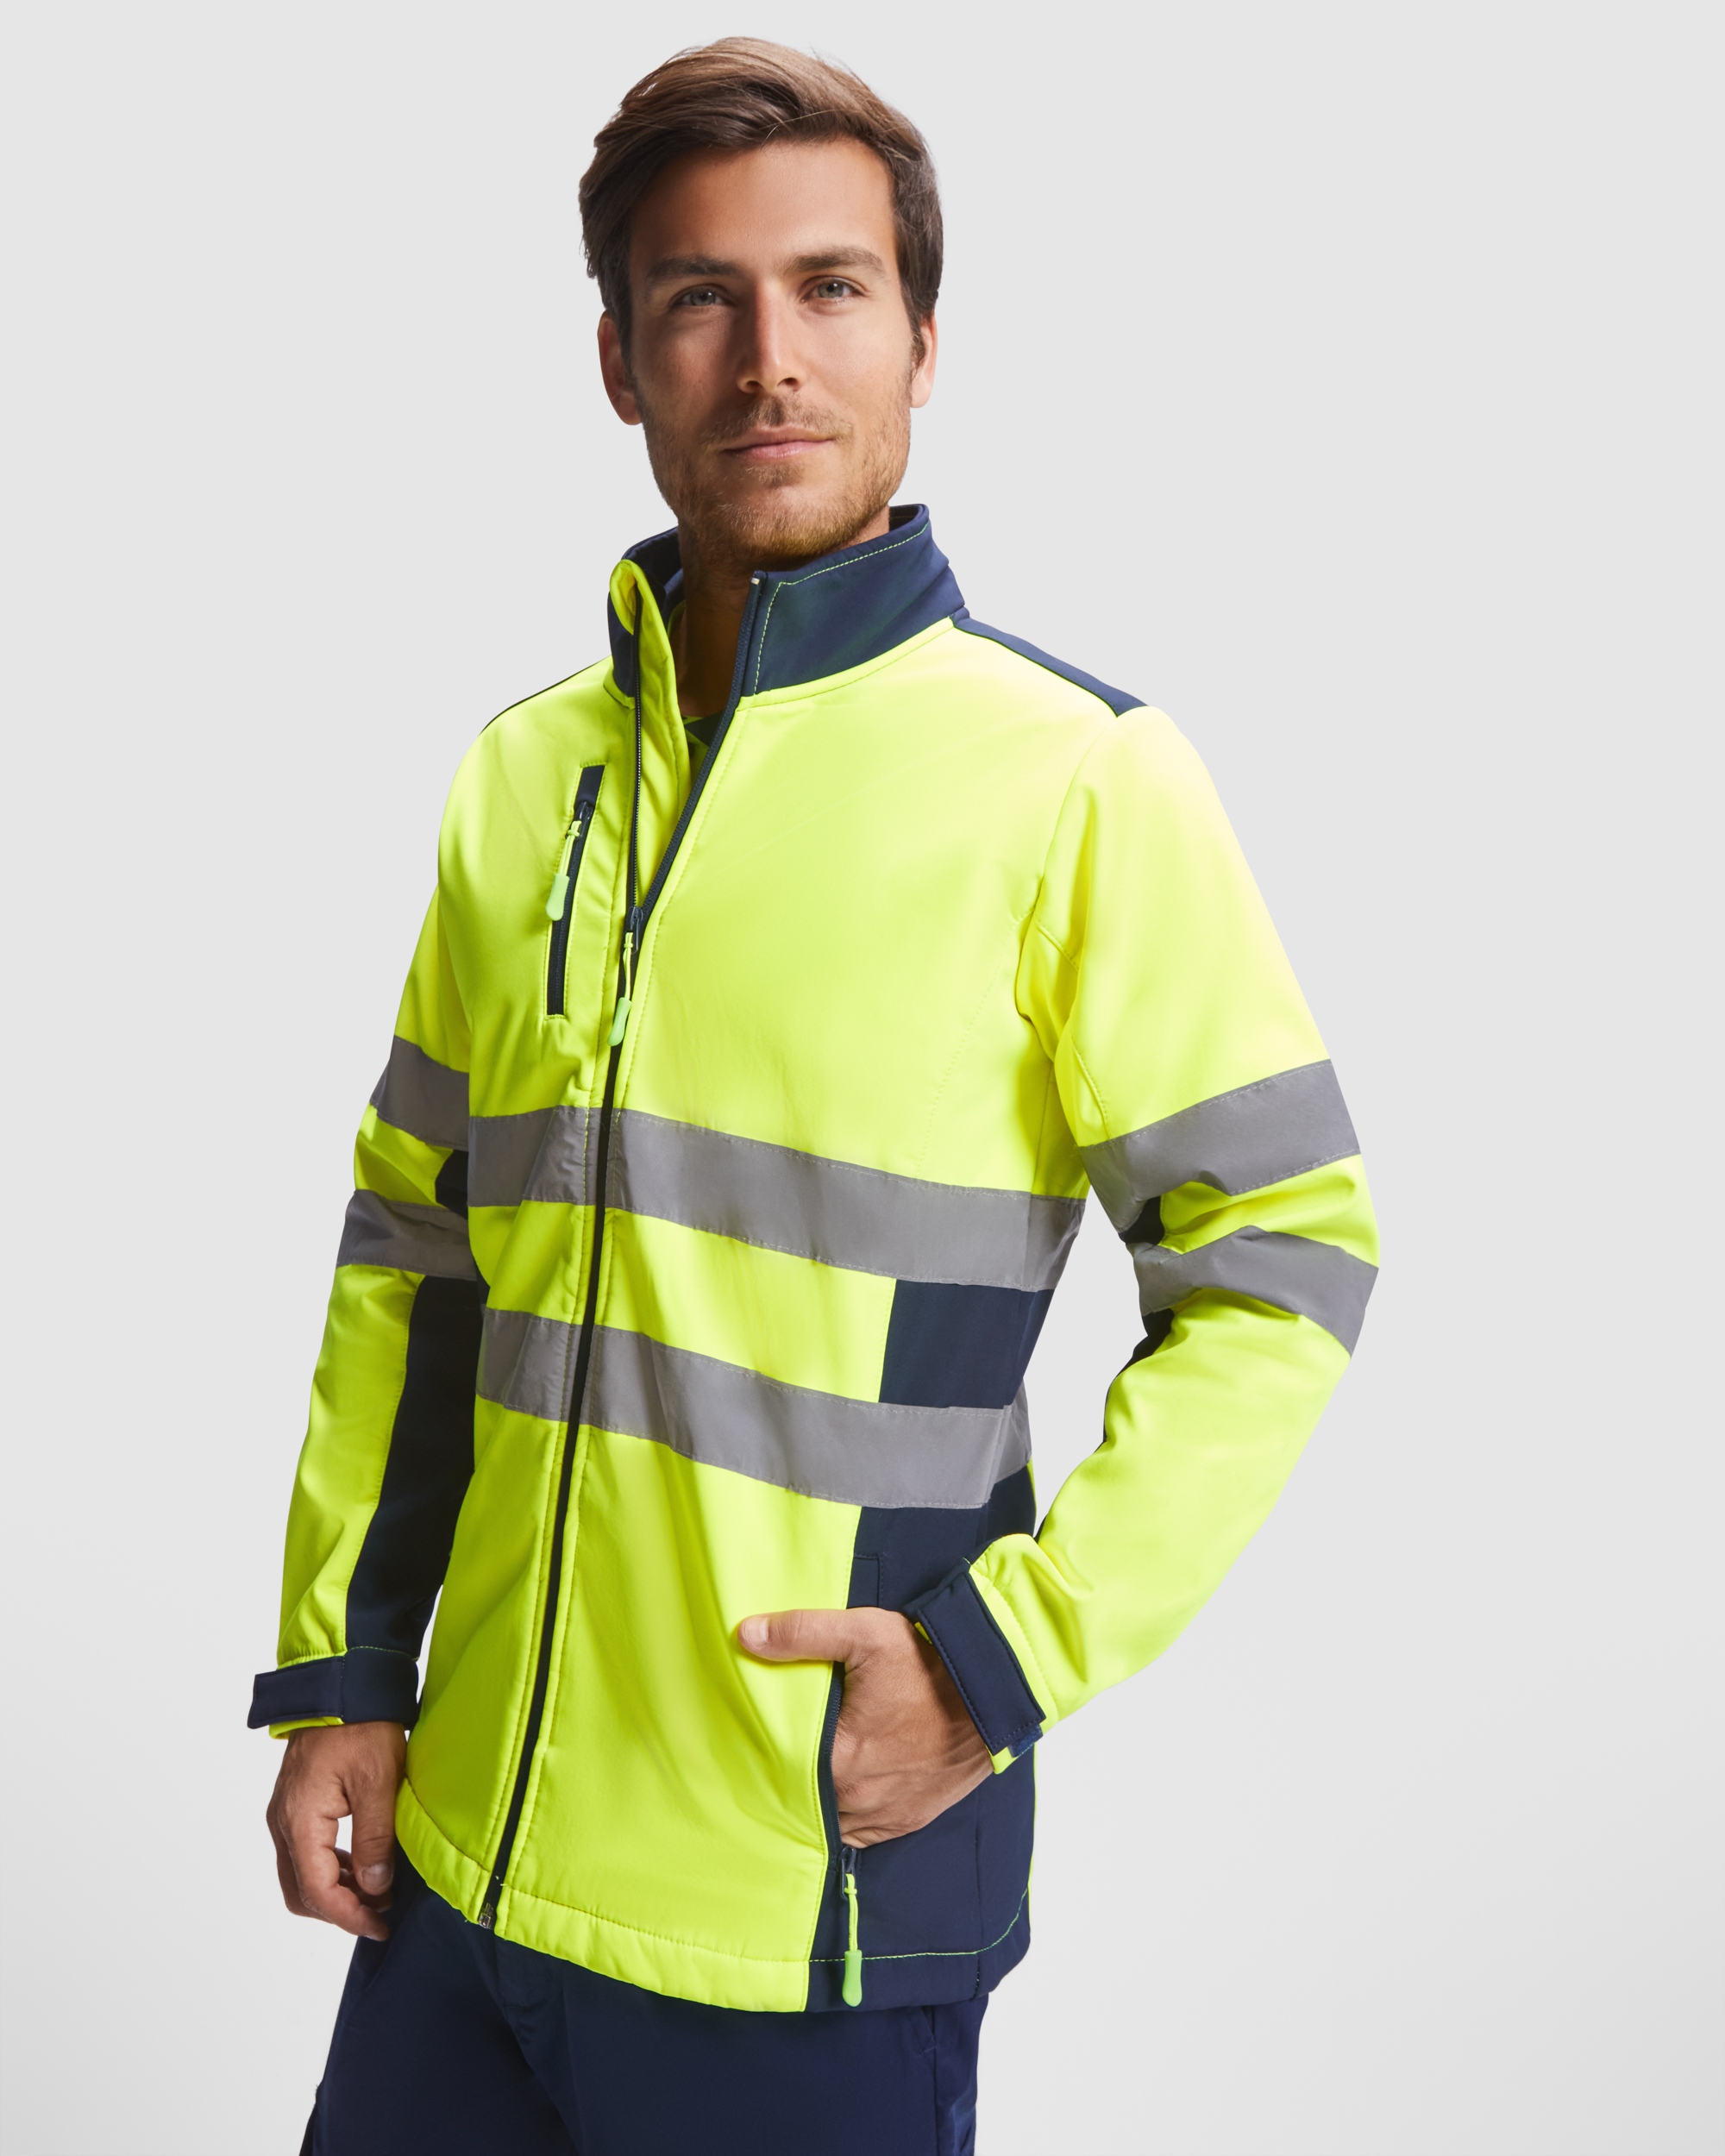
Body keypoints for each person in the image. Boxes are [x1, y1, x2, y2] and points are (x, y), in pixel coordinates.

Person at [254, 37, 1378, 2155]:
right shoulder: (523, 775)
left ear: (922, 342)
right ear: (620, 359)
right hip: (462, 1864)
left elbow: (1286, 1261)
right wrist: (343, 1672)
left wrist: (996, 1660)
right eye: (702, 297)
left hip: (804, 1895)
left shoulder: (1077, 780)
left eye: (832, 288)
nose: (770, 357)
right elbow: (413, 1252)